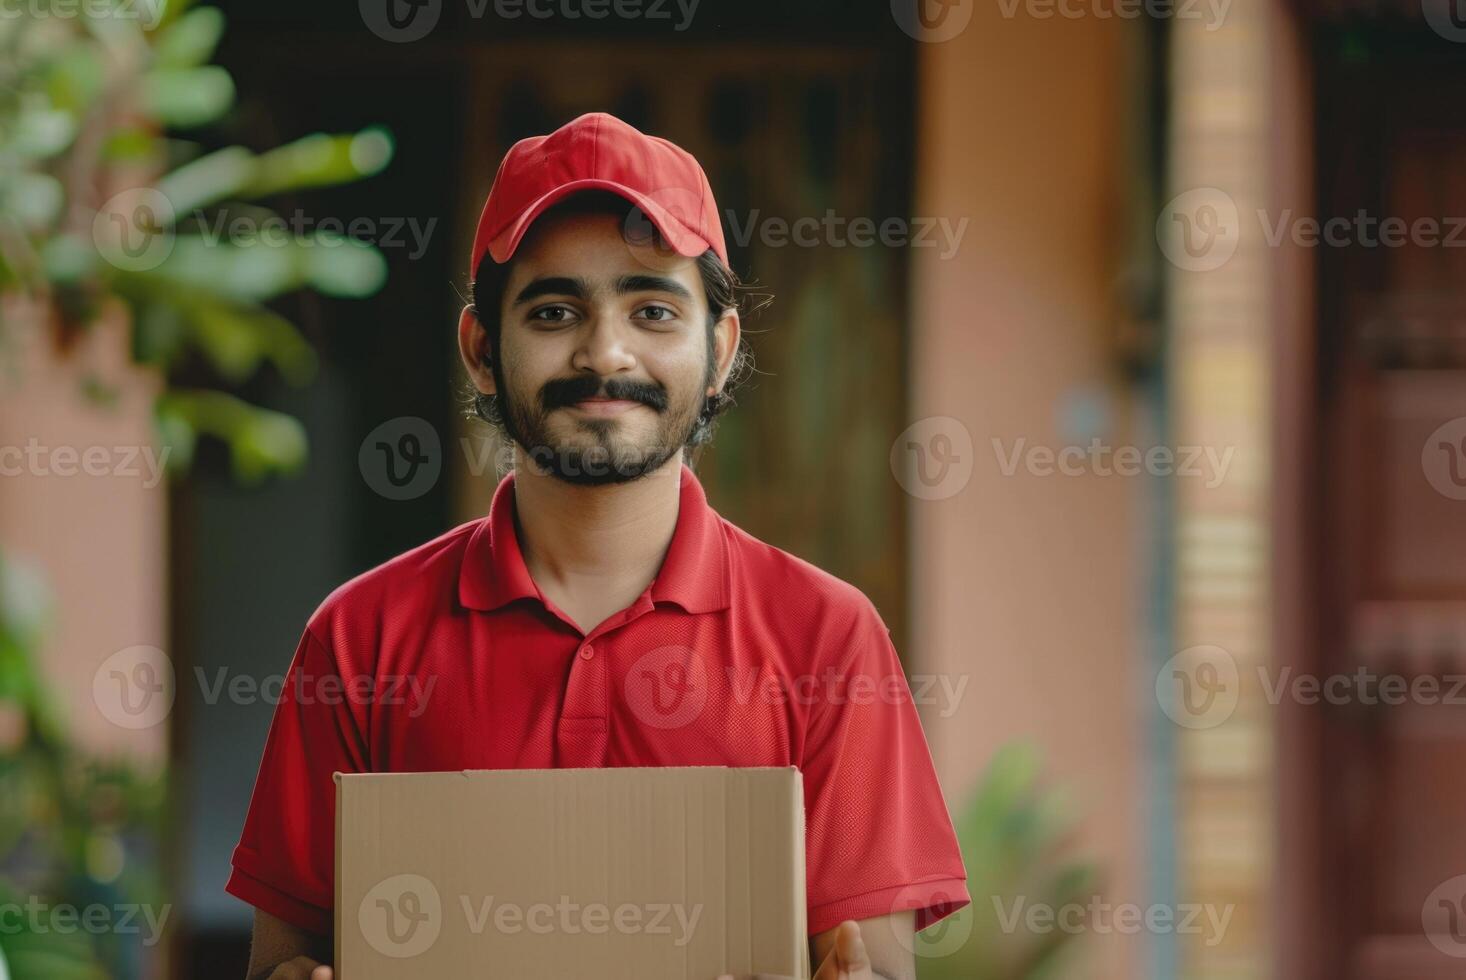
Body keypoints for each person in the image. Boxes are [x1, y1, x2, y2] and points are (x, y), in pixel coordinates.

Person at [229, 111, 970, 980]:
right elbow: (282, 965)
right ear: (481, 350)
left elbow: (875, 970)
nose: (604, 352)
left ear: (721, 347)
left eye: (652, 308)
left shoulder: (829, 640)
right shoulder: (360, 639)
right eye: (553, 310)